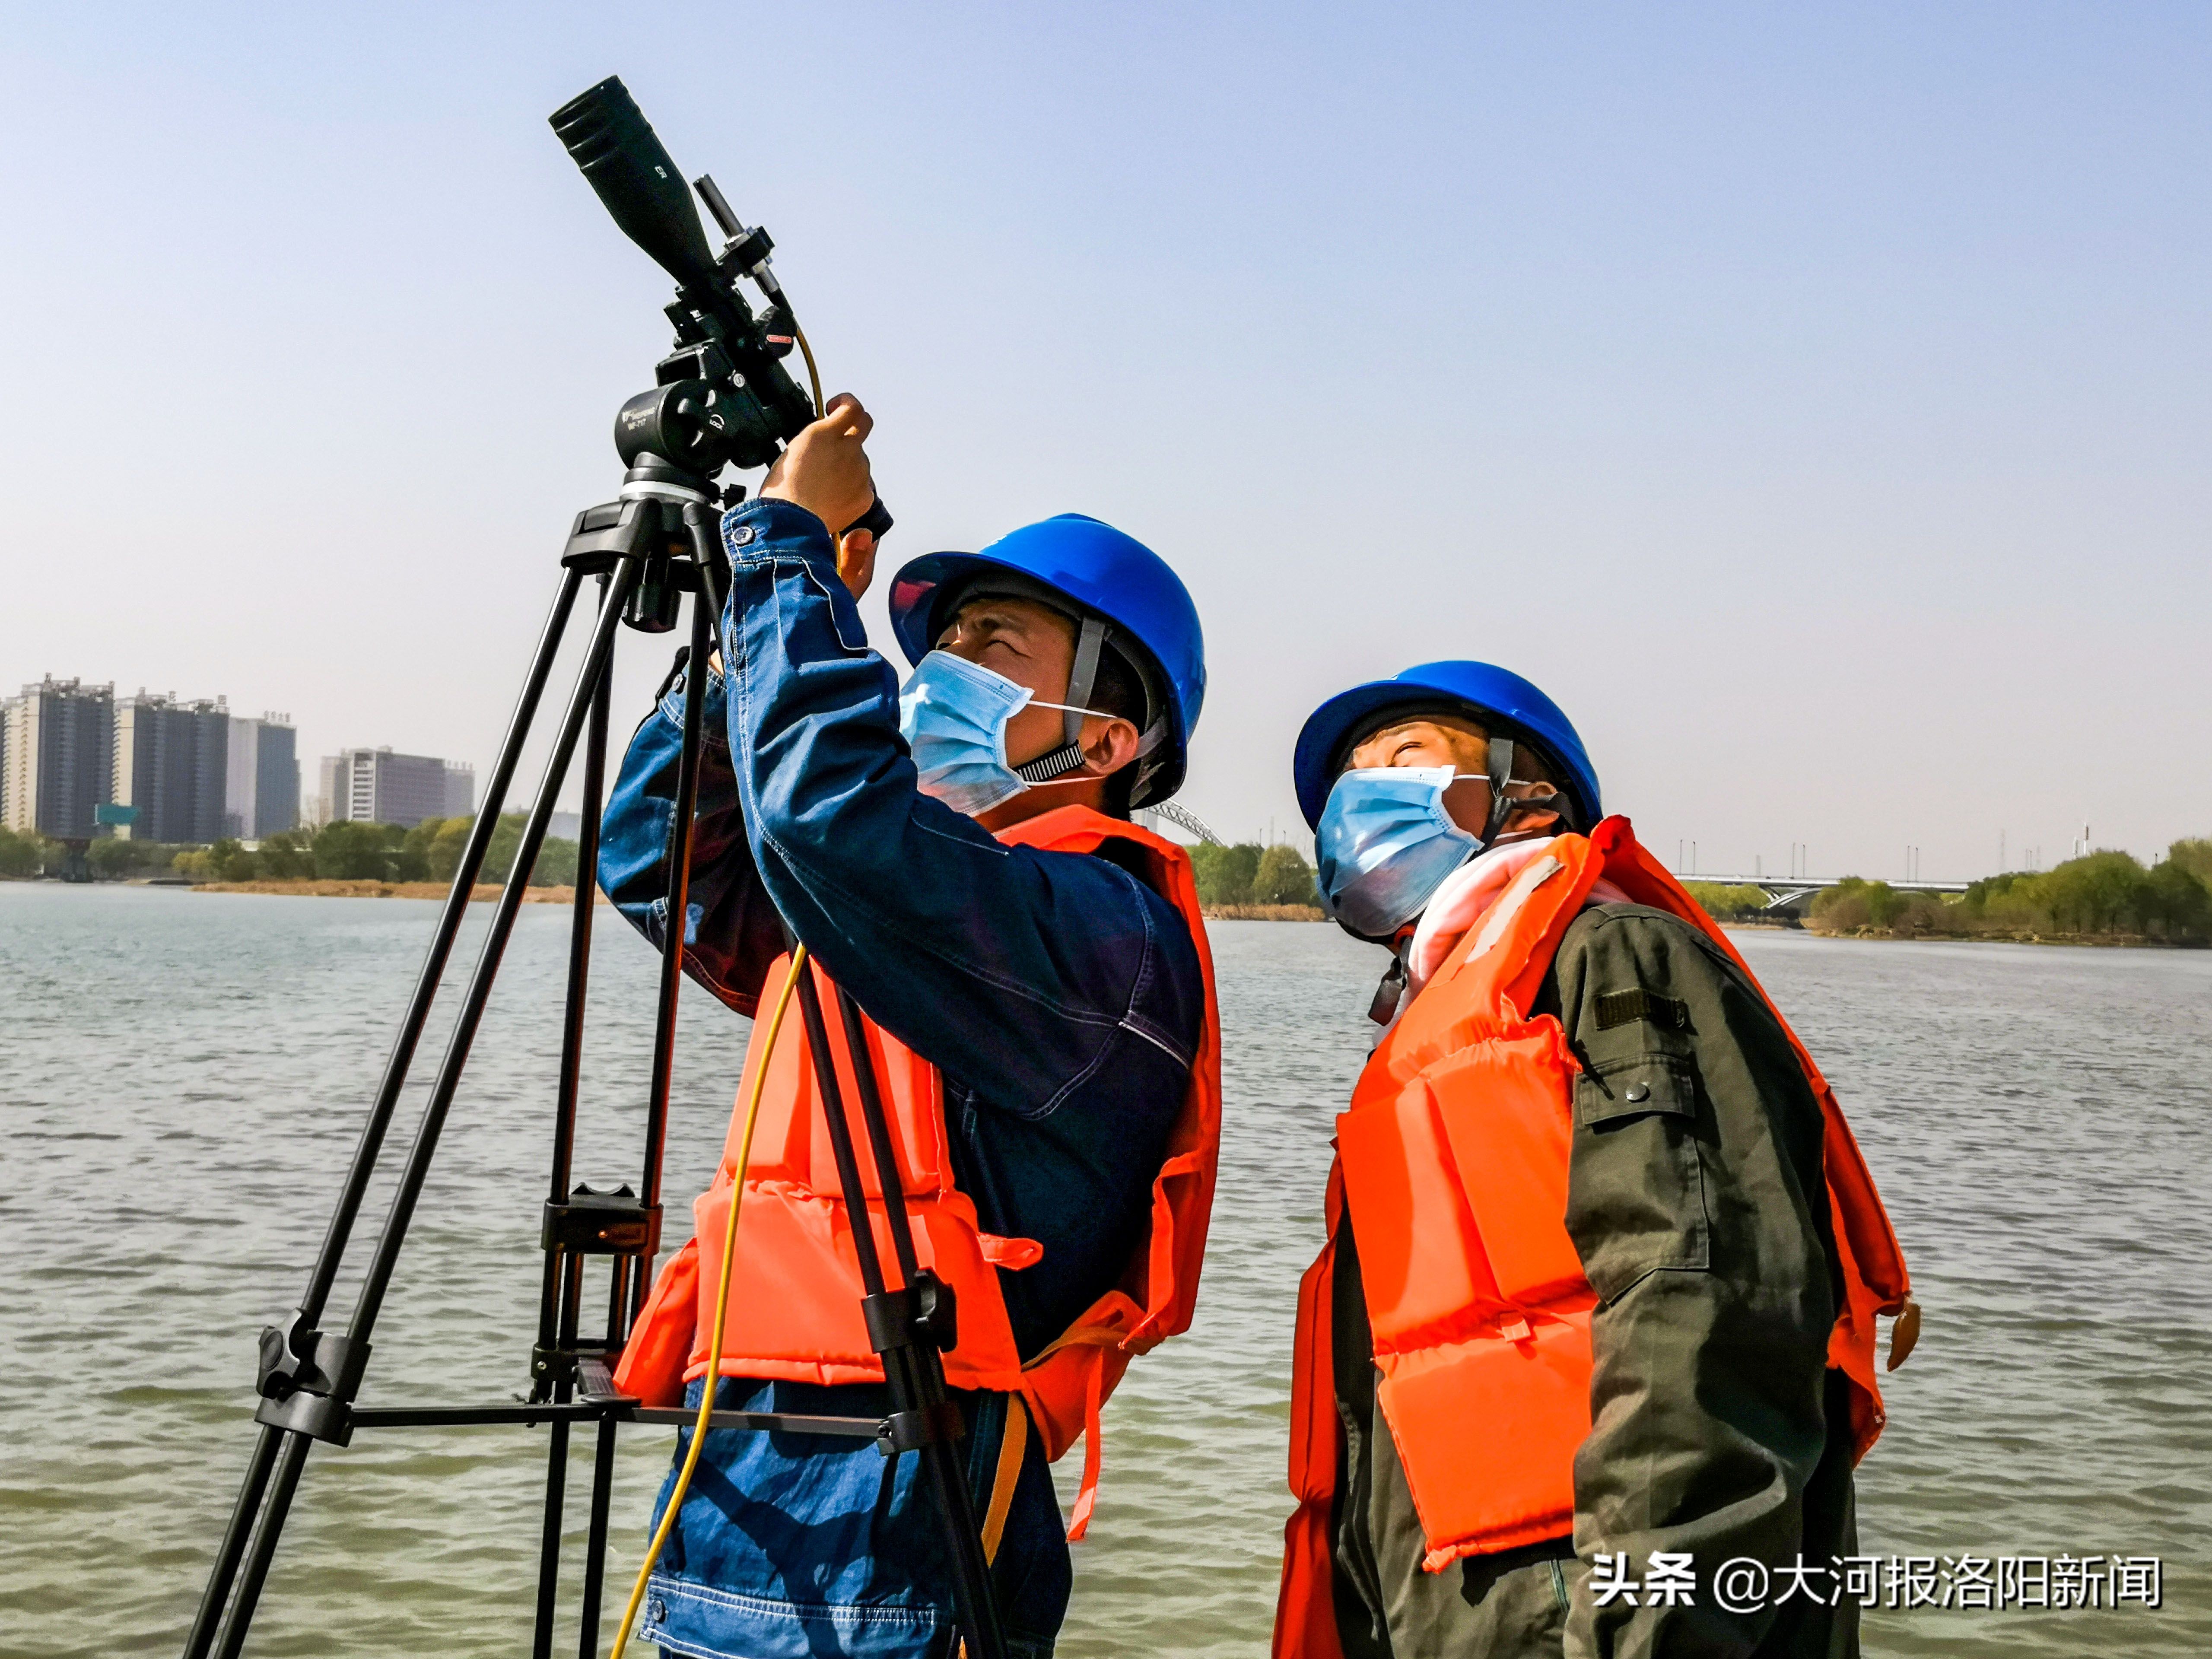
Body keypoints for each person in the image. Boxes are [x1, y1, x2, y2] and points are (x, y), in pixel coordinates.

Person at [597, 394, 1221, 1659]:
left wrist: (782, 548)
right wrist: (741, 643)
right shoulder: (904, 919)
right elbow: (665, 863)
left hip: (904, 1525)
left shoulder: (1098, 934)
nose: (938, 672)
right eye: (942, 644)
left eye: (996, 644)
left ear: (1104, 737)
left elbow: (832, 819)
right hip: (743, 1487)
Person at [1271, 661, 1918, 1659]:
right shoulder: (1439, 1021)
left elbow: (1700, 1313)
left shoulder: (1611, 955)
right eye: (1349, 783)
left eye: (1401, 758)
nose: (1360, 802)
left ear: (1527, 794)